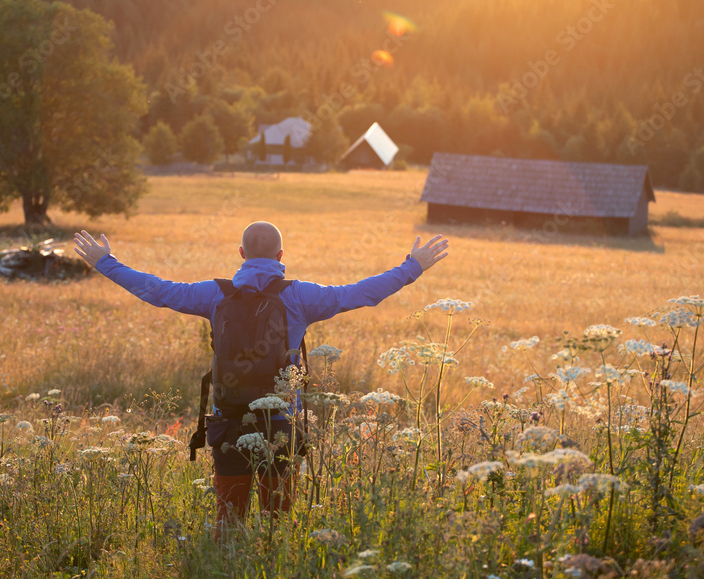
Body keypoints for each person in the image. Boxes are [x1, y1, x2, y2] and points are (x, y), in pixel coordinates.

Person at [72, 222, 449, 533]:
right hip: (281, 421)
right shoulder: (300, 296)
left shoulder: (213, 295)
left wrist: (106, 262)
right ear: (281, 257)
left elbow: (156, 290)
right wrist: (412, 266)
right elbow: (361, 293)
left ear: (241, 254)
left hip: (229, 420)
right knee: (278, 524)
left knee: (229, 524)